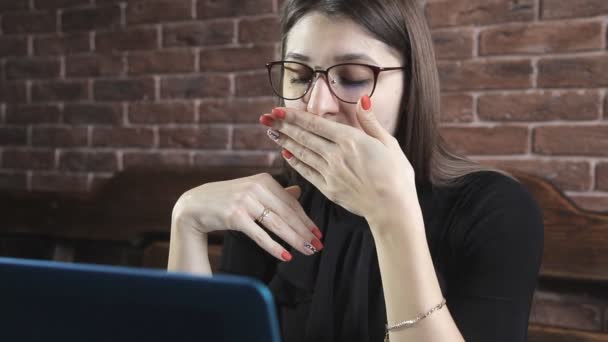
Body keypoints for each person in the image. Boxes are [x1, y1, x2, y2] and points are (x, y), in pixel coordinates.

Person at [167, 0, 544, 341]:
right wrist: (186, 222)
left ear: (412, 87)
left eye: (352, 77)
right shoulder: (265, 207)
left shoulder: (496, 210)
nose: (316, 106)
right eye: (298, 75)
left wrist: (392, 216)